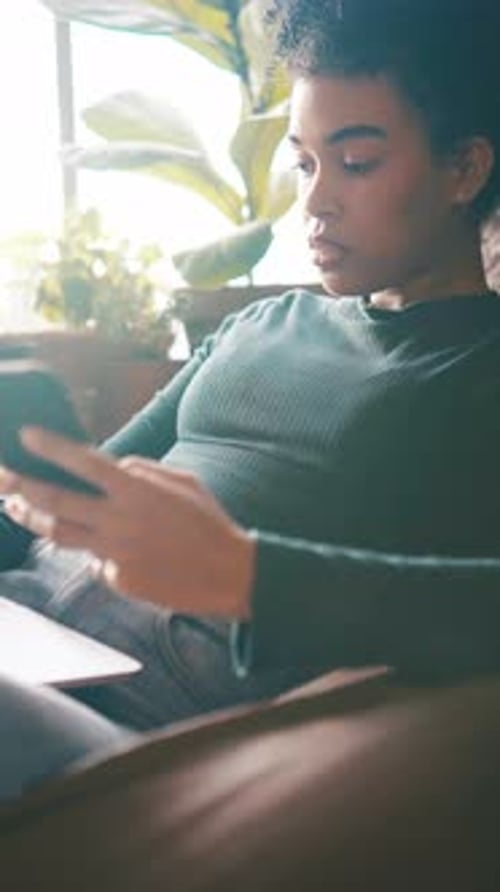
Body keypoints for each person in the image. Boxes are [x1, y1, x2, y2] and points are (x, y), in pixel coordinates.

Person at [1, 0, 500, 800]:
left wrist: (245, 575)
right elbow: (83, 493)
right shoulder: (260, 324)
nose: (315, 203)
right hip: (33, 627)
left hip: (146, 724)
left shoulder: (480, 369)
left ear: (464, 170)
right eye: (305, 164)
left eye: (356, 163)